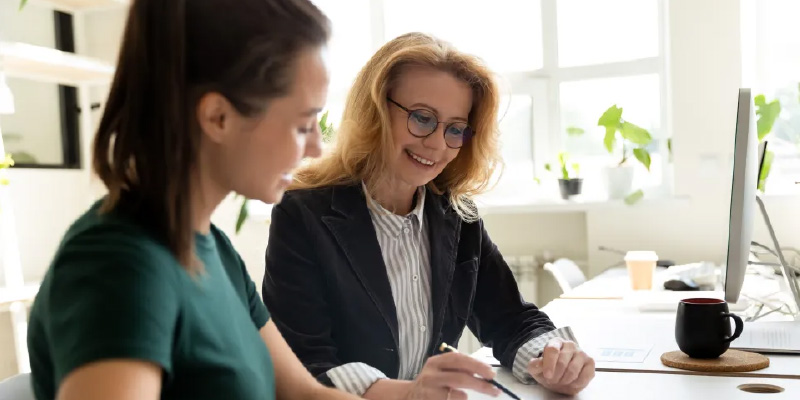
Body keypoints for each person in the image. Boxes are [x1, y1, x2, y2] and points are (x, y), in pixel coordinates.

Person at [25, 0, 362, 399]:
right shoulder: (119, 265)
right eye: (304, 124)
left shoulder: (213, 249)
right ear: (218, 117)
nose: (316, 149)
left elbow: (302, 394)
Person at [263, 32, 596, 400]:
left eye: (455, 129)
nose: (437, 144)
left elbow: (509, 318)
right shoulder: (303, 213)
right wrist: (405, 393)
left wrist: (552, 358)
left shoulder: (458, 215)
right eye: (422, 118)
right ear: (375, 109)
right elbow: (303, 360)